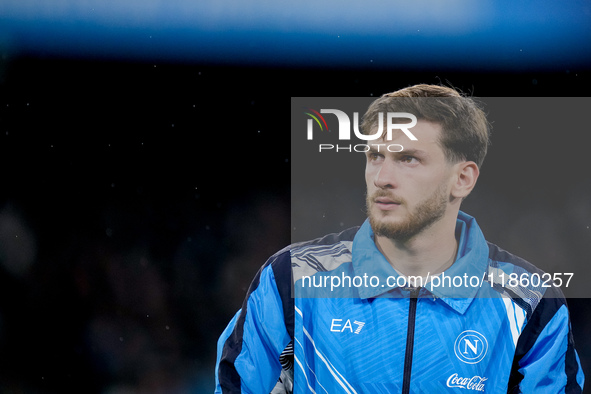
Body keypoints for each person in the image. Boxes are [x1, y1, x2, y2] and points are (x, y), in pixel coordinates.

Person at [214, 84, 585, 393]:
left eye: (408, 159)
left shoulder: (532, 302)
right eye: (375, 156)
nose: (382, 177)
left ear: (464, 179)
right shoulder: (291, 278)